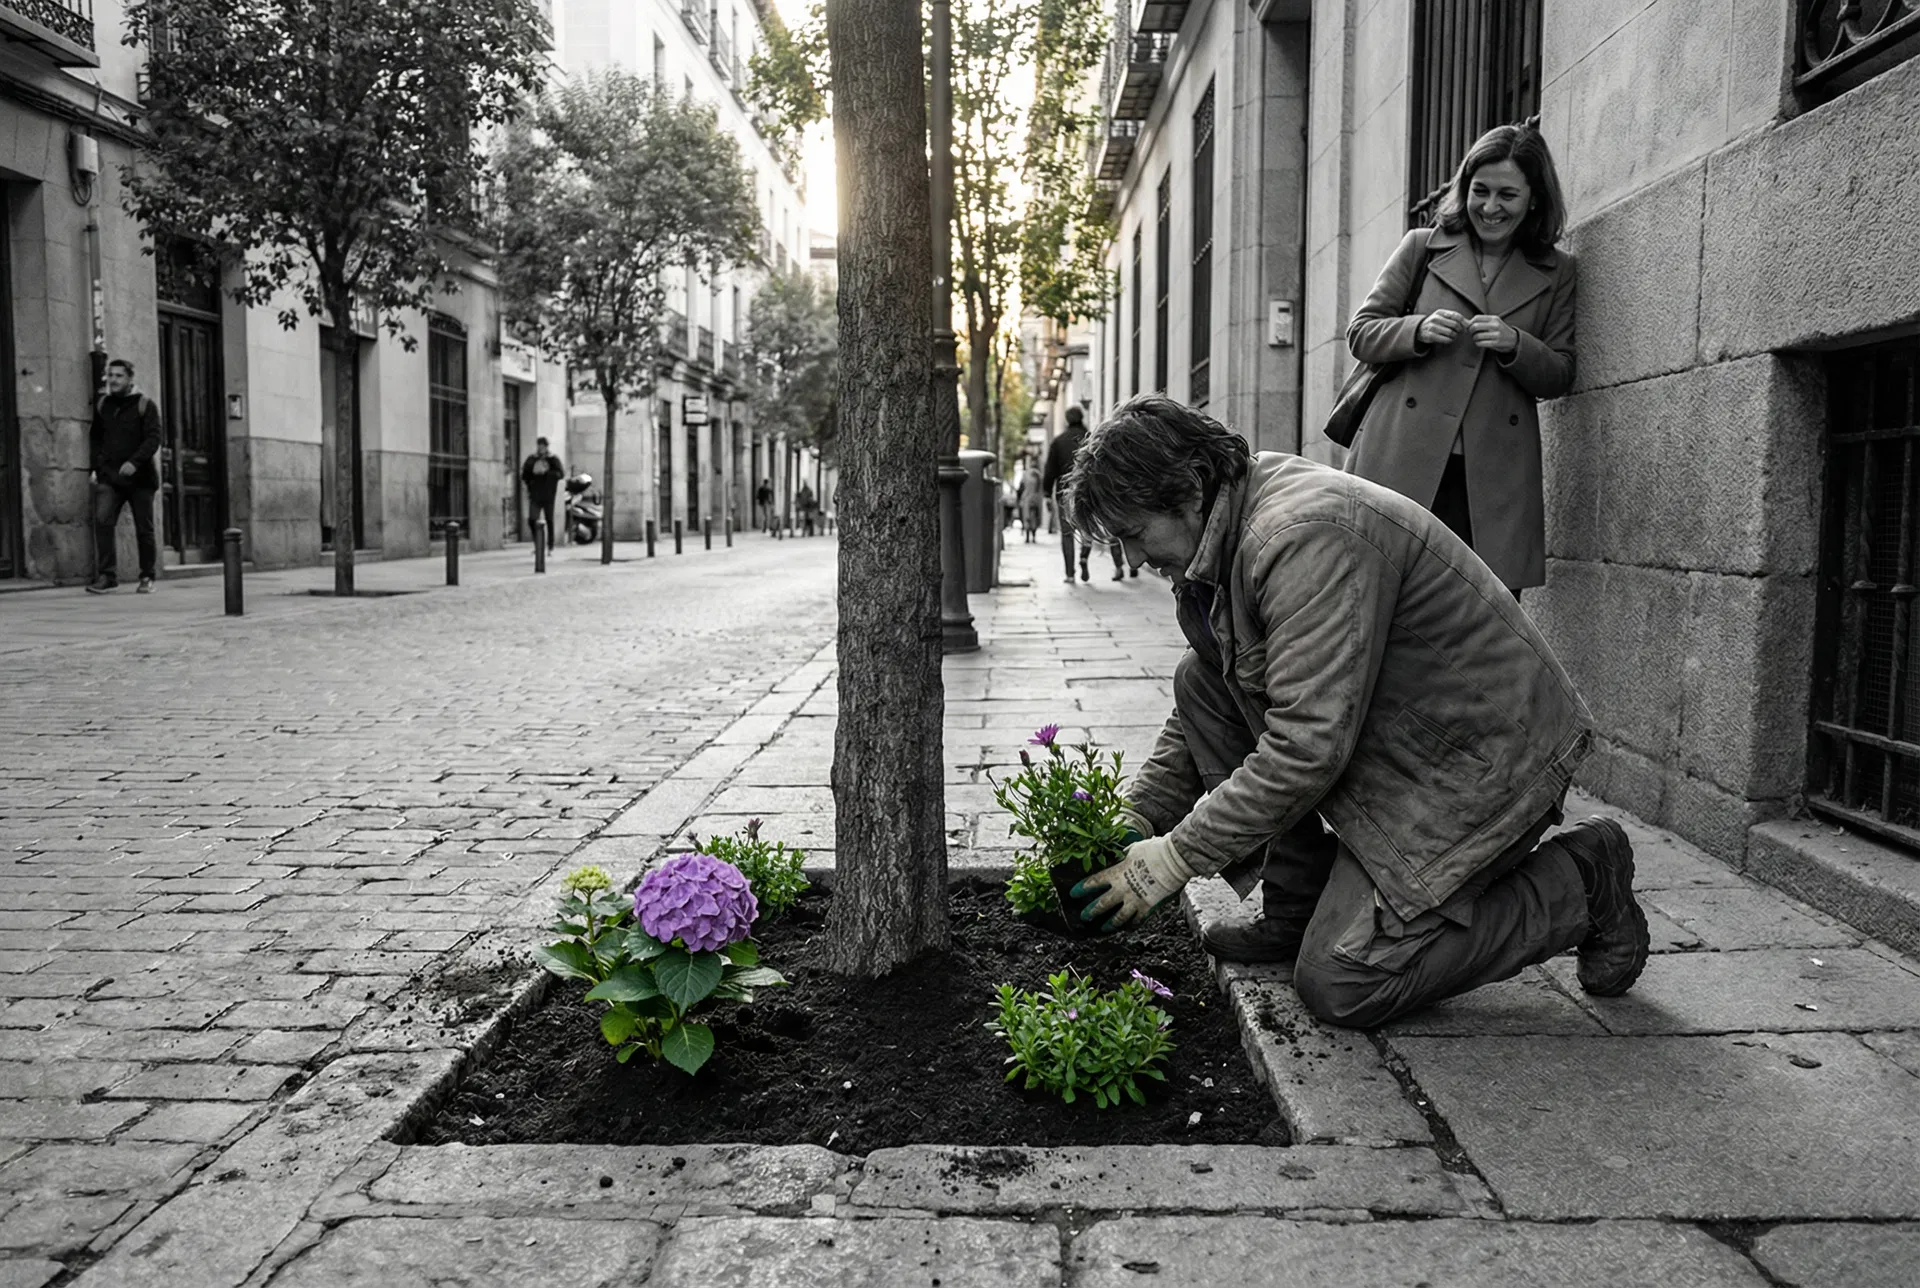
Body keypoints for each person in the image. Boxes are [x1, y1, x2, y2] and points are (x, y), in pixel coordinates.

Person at [1064, 395, 1648, 1029]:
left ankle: (1582, 881)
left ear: (1190, 487)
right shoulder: (1226, 527)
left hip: (1484, 764)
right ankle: (1298, 904)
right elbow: (1218, 691)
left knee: (1343, 984)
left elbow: (1306, 748)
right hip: (1404, 749)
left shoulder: (1298, 538)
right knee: (1198, 678)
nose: (1133, 560)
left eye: (1132, 533)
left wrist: (1174, 859)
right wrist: (1137, 816)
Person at [1342, 119, 1575, 598]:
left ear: (1534, 198)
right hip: (1405, 457)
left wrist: (1516, 344)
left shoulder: (1557, 271)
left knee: (1481, 614)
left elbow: (1561, 372)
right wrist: (1417, 330)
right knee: (1385, 598)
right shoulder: (1422, 247)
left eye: (1507, 195)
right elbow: (1361, 333)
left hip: (1492, 477)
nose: (1490, 207)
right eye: (1480, 190)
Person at [87, 358, 162, 594]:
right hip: (109, 477)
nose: (113, 380)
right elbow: (95, 439)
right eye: (110, 375)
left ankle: (147, 576)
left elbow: (153, 439)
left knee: (144, 528)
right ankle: (108, 576)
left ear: (130, 379)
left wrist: (134, 462)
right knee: (102, 521)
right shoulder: (102, 405)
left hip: (140, 480)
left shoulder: (145, 405)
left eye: (119, 376)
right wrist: (96, 468)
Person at [1041, 406, 1126, 584]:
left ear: (1066, 419)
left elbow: (1050, 470)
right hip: (1090, 489)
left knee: (1067, 534)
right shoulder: (1092, 438)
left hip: (1065, 492)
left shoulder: (1058, 442)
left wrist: (1047, 493)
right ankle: (1104, 561)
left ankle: (1070, 574)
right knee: (1090, 526)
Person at [520, 436, 564, 551]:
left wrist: (546, 472)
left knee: (549, 519)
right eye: (539, 445)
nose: (541, 448)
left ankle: (550, 545)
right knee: (532, 519)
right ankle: (538, 543)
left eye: (543, 446)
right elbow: (524, 475)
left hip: (549, 494)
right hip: (535, 494)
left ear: (546, 447)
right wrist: (533, 473)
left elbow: (560, 474)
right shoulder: (532, 459)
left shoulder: (553, 459)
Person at [1015, 458, 1045, 542]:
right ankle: (1034, 536)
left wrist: (1019, 499)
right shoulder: (1039, 475)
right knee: (1035, 517)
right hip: (1036, 499)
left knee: (1027, 518)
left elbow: (1021, 487)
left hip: (1027, 498)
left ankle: (1027, 537)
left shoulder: (1026, 474)